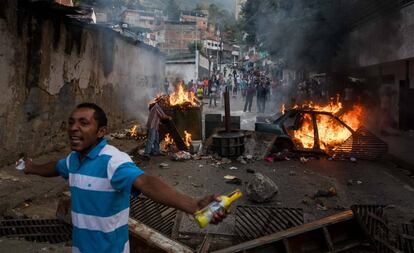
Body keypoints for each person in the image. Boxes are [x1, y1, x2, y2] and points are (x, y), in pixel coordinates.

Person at [22, 103, 226, 253]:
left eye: (83, 123)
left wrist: (193, 204)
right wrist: (31, 167)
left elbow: (146, 182)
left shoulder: (112, 161)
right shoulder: (73, 160)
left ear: (101, 132)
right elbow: (56, 167)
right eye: (71, 123)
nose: (74, 128)